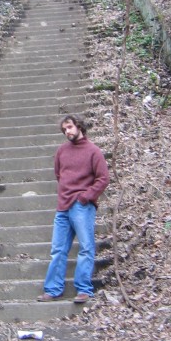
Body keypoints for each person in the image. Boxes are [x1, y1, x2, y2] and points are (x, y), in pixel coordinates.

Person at [38, 114, 109, 304]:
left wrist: (86, 196)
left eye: (69, 127)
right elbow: (59, 175)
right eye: (64, 130)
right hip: (63, 207)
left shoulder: (93, 151)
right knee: (58, 249)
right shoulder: (62, 151)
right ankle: (53, 289)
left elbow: (103, 179)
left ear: (78, 126)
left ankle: (84, 289)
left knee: (86, 248)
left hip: (82, 206)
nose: (67, 132)